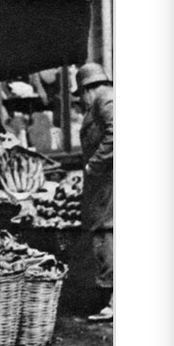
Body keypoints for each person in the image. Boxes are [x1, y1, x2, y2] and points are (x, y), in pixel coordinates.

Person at [73, 63, 114, 321]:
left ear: (88, 89)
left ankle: (115, 300)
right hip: (107, 181)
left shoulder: (105, 100)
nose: (84, 101)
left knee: (107, 231)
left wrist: (93, 164)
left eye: (81, 95)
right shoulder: (106, 98)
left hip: (109, 181)